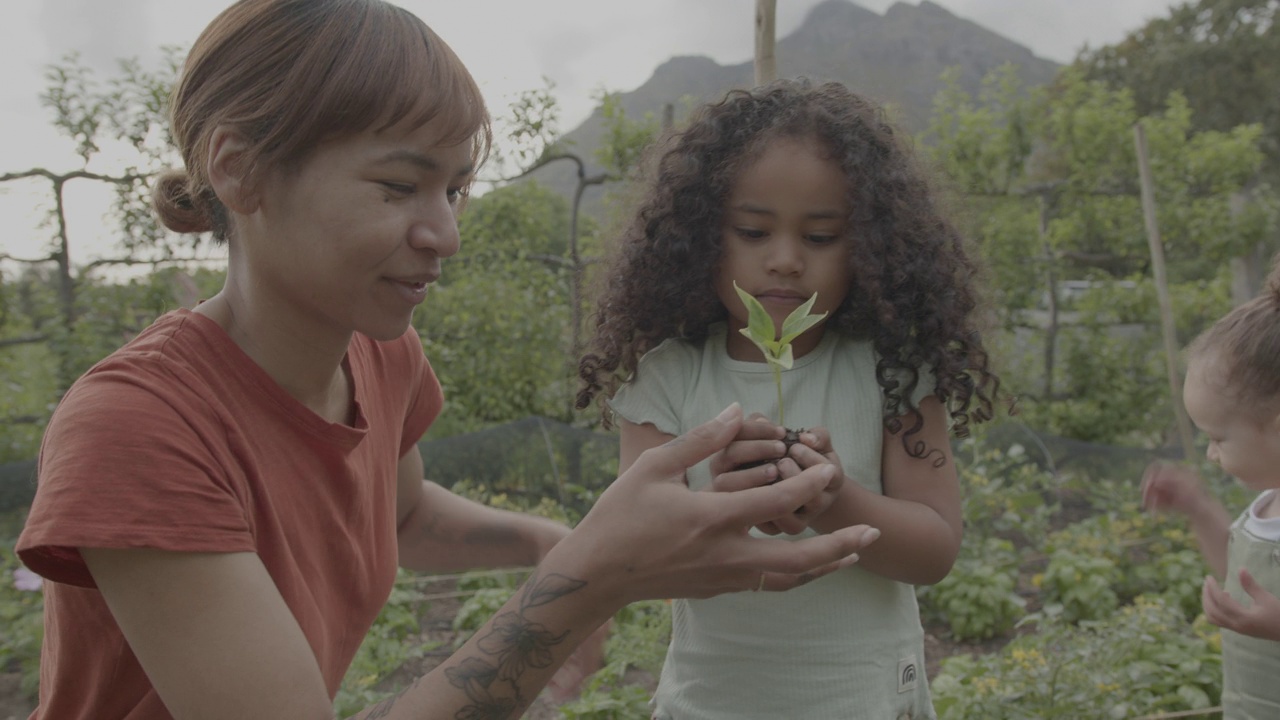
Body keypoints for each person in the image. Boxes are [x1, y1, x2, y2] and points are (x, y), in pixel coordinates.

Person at [12, 3, 882, 719]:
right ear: (241, 172)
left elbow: (403, 516)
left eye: (456, 188)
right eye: (399, 187)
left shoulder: (376, 355)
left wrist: (556, 545)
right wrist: (586, 583)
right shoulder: (138, 428)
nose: (447, 235)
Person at [576, 78, 1001, 719]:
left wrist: (836, 499)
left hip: (865, 700)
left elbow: (935, 549)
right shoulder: (665, 381)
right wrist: (721, 503)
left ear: (870, 248)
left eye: (822, 238)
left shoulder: (893, 376)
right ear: (699, 239)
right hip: (712, 704)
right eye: (752, 232)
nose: (784, 261)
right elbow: (639, 554)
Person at [1141, 257, 1280, 719]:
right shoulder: (1267, 506)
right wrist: (1200, 509)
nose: (1211, 454)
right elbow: (1243, 576)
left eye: (1219, 439)